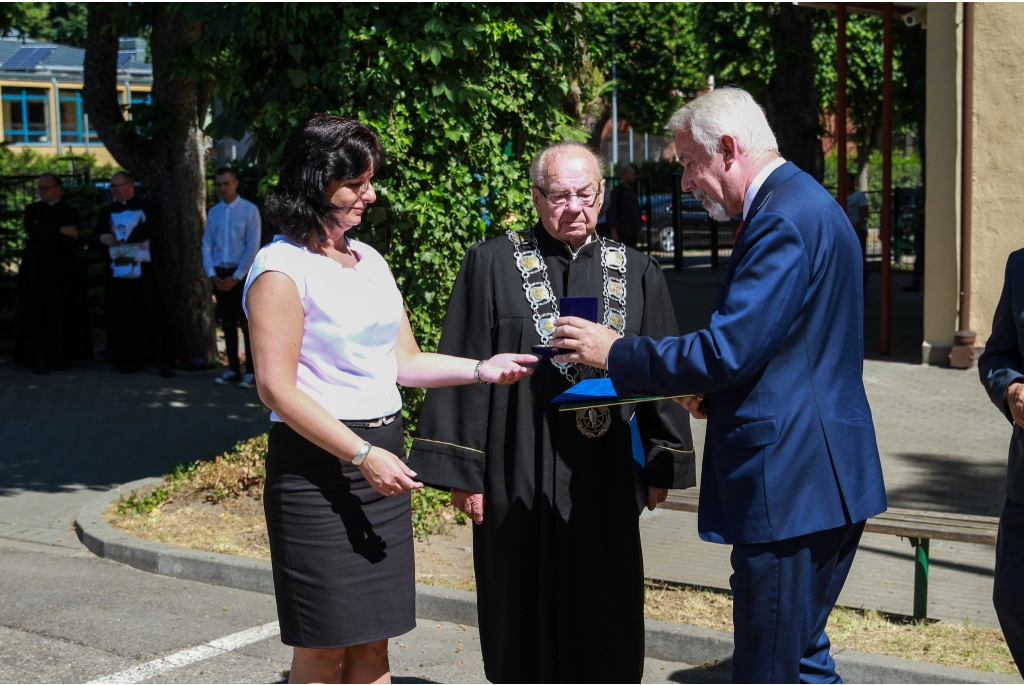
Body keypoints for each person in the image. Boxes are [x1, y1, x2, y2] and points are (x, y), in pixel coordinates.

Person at [552, 88, 887, 684]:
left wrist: (616, 353)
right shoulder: (806, 203)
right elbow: (786, 349)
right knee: (801, 660)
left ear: (728, 150)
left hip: (790, 487)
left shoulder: (782, 217)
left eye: (687, 163)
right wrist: (715, 393)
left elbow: (728, 348)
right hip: (821, 478)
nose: (684, 182)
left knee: (770, 670)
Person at [243, 113, 535, 685]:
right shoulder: (280, 268)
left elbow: (404, 362)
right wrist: (360, 455)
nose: (369, 195)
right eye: (355, 183)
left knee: (374, 648)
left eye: (369, 180)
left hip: (382, 454)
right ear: (313, 181)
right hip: (318, 470)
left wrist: (482, 368)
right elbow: (274, 388)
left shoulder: (368, 259)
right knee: (323, 651)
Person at [407, 141, 695, 683]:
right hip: (516, 465)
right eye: (560, 196)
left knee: (602, 603)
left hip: (605, 470)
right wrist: (462, 472)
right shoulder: (490, 264)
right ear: (537, 197)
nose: (574, 207)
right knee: (520, 602)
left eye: (585, 194)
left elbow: (662, 366)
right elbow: (464, 362)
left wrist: (664, 458)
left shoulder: (637, 272)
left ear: (603, 194)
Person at [978, 247, 1024, 672]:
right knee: (1011, 599)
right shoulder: (1020, 264)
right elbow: (998, 355)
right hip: (1023, 489)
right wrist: (1011, 389)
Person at [12, 173, 92, 374]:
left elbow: (71, 237)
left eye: (45, 188)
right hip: (36, 269)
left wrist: (49, 232)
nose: (41, 192)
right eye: (39, 188)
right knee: (36, 313)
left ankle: (60, 356)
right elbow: (33, 230)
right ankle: (37, 357)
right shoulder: (32, 210)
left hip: (61, 270)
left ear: (57, 189)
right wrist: (58, 231)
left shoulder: (69, 211)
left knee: (61, 311)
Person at [97, 171, 173, 377]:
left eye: (116, 185)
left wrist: (124, 236)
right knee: (123, 315)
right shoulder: (108, 211)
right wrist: (105, 238)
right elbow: (99, 235)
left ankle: (157, 356)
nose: (113, 190)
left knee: (149, 312)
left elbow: (151, 230)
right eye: (111, 187)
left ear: (129, 185)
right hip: (119, 272)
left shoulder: (145, 206)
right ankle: (126, 359)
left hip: (144, 272)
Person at [202, 167, 261, 389]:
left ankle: (252, 371)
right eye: (218, 184)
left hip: (241, 273)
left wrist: (237, 276)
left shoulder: (249, 210)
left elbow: (252, 246)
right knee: (226, 322)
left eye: (226, 183)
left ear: (236, 183)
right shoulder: (214, 212)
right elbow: (207, 245)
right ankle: (233, 369)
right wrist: (212, 274)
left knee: (246, 323)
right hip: (220, 272)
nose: (222, 188)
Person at [608, 163, 642, 248]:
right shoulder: (618, 192)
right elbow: (613, 211)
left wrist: (640, 229)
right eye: (632, 174)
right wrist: (614, 231)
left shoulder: (632, 192)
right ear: (624, 176)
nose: (634, 177)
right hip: (622, 231)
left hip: (633, 230)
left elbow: (637, 211)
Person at [846, 171, 869, 290]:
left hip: (857, 230)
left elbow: (865, 212)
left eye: (848, 181)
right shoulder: (841, 195)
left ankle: (862, 286)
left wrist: (857, 224)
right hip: (846, 231)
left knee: (859, 258)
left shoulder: (859, 196)